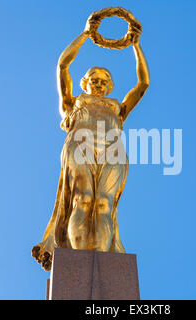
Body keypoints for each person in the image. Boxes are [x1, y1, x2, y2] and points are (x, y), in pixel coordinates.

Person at [32, 18, 149, 271]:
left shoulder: (118, 108)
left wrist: (136, 46)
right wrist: (86, 33)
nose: (98, 83)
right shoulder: (72, 103)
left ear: (110, 86)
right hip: (80, 145)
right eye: (93, 79)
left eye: (103, 80)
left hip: (112, 150)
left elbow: (143, 85)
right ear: (85, 83)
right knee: (82, 200)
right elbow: (63, 65)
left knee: (104, 204)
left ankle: (105, 265)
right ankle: (77, 264)